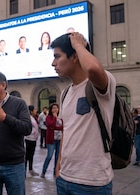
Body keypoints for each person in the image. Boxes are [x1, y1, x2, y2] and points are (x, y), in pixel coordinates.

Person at [52, 32, 116, 194]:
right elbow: (67, 131)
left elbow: (93, 69)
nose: (53, 63)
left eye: (57, 57)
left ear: (74, 56)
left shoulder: (100, 82)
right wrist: (59, 167)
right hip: (65, 179)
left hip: (92, 183)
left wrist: (78, 45)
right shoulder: (65, 93)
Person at [40, 103, 62, 178]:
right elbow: (50, 125)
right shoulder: (48, 117)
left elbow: (62, 127)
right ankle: (43, 171)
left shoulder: (61, 117)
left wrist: (55, 127)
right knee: (49, 156)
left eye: (56, 108)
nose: (55, 109)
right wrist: (55, 118)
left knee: (57, 157)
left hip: (59, 140)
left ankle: (55, 172)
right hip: (51, 140)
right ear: (51, 109)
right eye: (53, 108)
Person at [25, 105, 40, 177]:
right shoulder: (28, 118)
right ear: (31, 111)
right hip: (28, 139)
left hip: (34, 139)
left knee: (31, 155)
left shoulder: (34, 118)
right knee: (27, 155)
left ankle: (30, 169)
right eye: (34, 109)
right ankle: (24, 170)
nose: (36, 110)